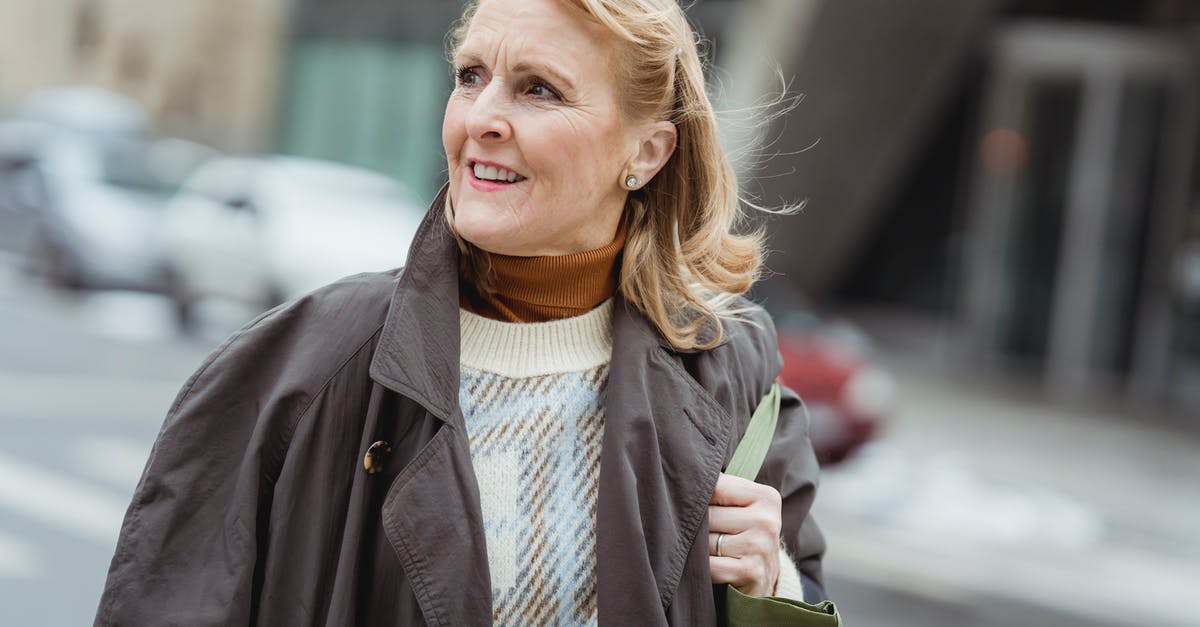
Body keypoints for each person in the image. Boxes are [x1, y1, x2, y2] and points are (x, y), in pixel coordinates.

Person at [95, 0, 826, 624]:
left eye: (538, 89)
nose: (482, 117)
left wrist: (776, 589)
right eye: (470, 77)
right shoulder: (298, 366)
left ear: (647, 151)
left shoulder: (733, 376)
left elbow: (806, 593)